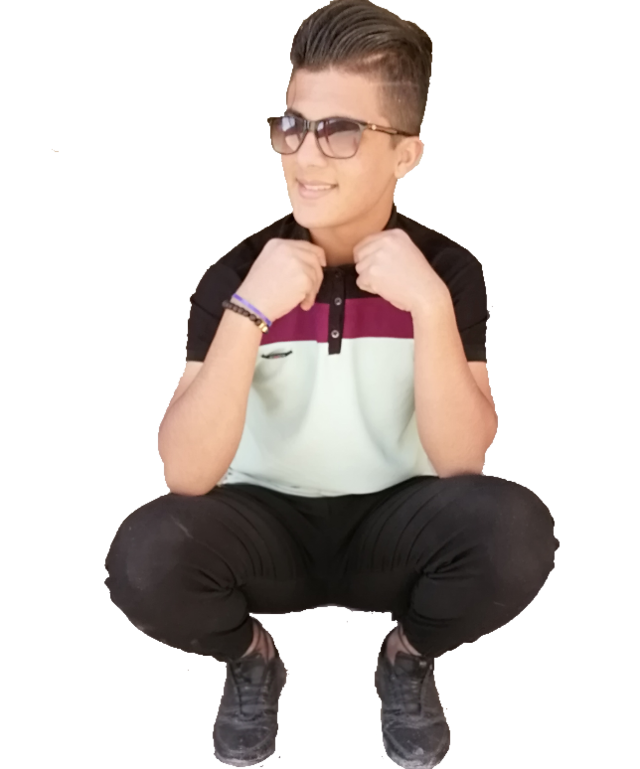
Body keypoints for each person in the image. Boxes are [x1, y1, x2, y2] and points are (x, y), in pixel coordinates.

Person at [104, 2, 559, 768]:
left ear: (406, 153)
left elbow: (461, 462)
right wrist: (249, 311)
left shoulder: (448, 271)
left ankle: (405, 658)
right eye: (294, 125)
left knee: (516, 530)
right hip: (264, 527)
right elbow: (185, 473)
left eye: (339, 130)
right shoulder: (234, 274)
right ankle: (253, 660)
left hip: (396, 523)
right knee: (145, 556)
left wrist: (429, 306)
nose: (304, 156)